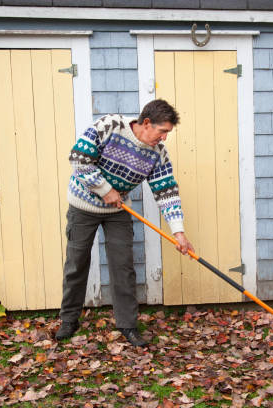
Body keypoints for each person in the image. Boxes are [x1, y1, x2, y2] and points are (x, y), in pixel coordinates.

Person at [56, 99, 194, 346]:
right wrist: (105, 189)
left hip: (117, 210)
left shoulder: (157, 153)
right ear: (147, 123)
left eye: (167, 134)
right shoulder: (109, 126)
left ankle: (128, 325)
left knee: (123, 267)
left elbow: (167, 192)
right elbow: (78, 158)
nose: (164, 139)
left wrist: (179, 232)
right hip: (83, 205)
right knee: (77, 263)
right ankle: (69, 320)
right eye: (162, 132)